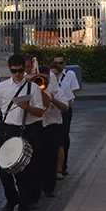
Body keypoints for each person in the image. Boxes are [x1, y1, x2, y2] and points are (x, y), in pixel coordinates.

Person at [0, 55, 46, 211]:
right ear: (10, 70)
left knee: (24, 170)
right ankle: (11, 198)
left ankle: (24, 204)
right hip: (8, 129)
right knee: (4, 169)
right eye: (14, 71)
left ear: (25, 69)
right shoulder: (2, 87)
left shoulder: (32, 88)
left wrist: (27, 107)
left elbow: (40, 112)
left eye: (20, 71)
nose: (18, 74)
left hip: (28, 129)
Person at [39, 63, 72, 199]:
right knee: (37, 159)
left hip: (52, 126)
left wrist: (53, 100)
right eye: (41, 79)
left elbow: (66, 108)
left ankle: (49, 187)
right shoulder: (32, 90)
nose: (44, 82)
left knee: (50, 158)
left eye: (47, 79)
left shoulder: (57, 90)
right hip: (38, 126)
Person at [52, 53, 80, 177]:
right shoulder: (50, 78)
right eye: (56, 62)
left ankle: (62, 166)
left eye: (61, 63)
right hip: (52, 111)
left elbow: (73, 93)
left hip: (65, 109)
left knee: (63, 137)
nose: (59, 65)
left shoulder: (70, 75)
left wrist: (64, 102)